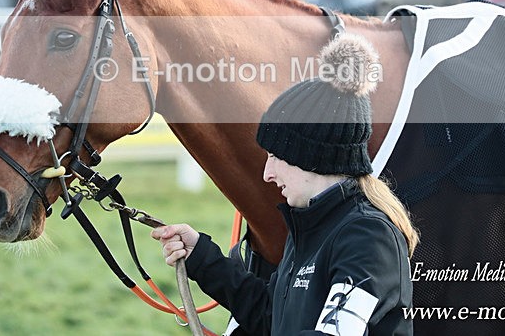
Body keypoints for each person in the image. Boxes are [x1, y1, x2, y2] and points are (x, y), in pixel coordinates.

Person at [152, 33, 419, 335]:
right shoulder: (311, 225)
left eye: (276, 156)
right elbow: (273, 318)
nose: (267, 173)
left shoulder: (368, 237)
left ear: (311, 157)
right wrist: (201, 256)